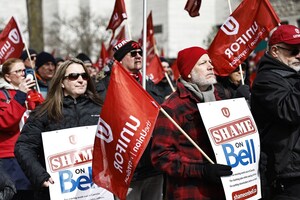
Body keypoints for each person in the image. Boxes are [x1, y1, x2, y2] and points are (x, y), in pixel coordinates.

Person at [14, 58, 103, 200]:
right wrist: (40, 176)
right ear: (61, 82)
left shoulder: (101, 109)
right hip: (57, 191)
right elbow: (24, 146)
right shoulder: (44, 111)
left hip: (97, 191)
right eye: (74, 76)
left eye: (84, 76)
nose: (81, 80)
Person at [151, 46, 233, 200]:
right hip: (190, 193)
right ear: (188, 72)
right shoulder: (173, 107)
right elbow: (161, 156)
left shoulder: (220, 99)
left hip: (222, 190)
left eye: (209, 61)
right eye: (202, 63)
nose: (210, 66)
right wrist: (202, 170)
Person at [97, 39, 164, 200]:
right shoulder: (105, 86)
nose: (139, 56)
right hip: (128, 169)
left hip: (153, 165)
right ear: (120, 59)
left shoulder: (147, 83)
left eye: (140, 52)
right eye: (133, 54)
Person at [251, 24, 300, 200]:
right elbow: (291, 111)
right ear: (274, 51)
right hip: (289, 174)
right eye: (293, 50)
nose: (299, 55)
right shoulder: (266, 80)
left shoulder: (294, 76)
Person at [0, 58, 44, 200]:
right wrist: (20, 95)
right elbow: (5, 121)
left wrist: (39, 102)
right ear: (8, 77)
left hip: (32, 154)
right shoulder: (2, 94)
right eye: (18, 71)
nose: (23, 74)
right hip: (10, 157)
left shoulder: (31, 94)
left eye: (24, 71)